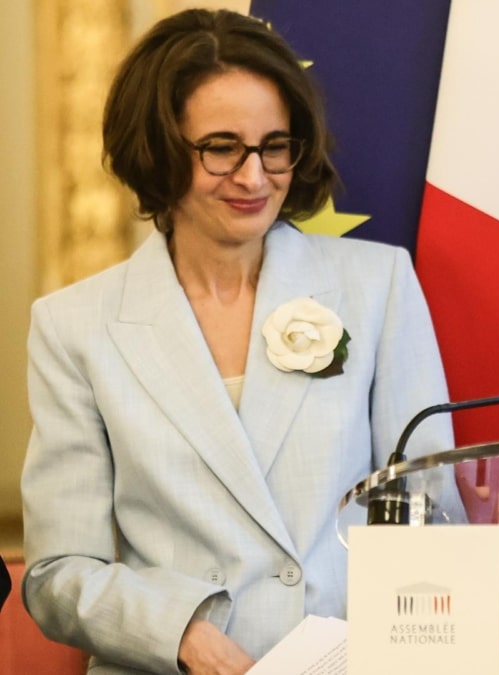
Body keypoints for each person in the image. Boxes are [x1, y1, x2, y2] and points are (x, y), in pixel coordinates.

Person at [21, 9, 462, 673]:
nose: (255, 178)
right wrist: (180, 635)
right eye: (222, 147)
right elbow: (57, 573)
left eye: (274, 145)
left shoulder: (378, 285)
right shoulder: (74, 325)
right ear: (158, 149)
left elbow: (432, 516)